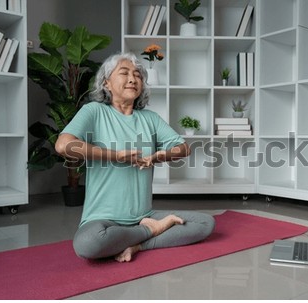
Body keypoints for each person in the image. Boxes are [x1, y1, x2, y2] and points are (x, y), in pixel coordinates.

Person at [55, 52, 215, 262]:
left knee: (205, 224)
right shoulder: (94, 111)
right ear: (107, 83)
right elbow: (63, 145)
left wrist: (158, 157)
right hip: (103, 220)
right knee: (88, 243)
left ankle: (139, 242)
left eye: (138, 75)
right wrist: (116, 156)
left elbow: (183, 148)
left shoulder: (150, 118)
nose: (133, 78)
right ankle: (152, 232)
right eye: (124, 73)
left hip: (144, 217)